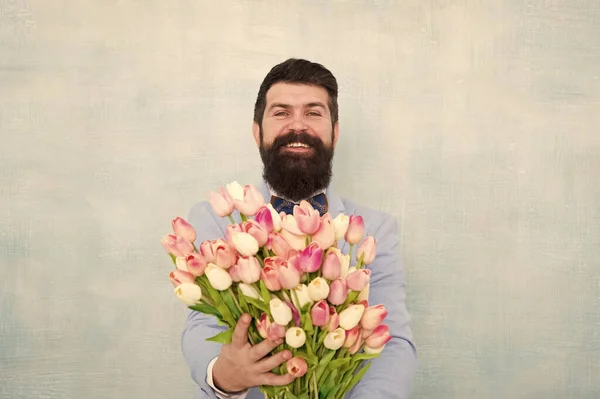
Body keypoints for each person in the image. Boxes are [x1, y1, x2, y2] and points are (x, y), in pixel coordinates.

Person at [182, 58, 417, 398]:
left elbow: (392, 342)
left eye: (313, 113)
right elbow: (202, 325)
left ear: (334, 133)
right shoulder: (215, 219)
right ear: (256, 132)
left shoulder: (375, 230)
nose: (297, 126)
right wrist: (223, 376)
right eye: (281, 113)